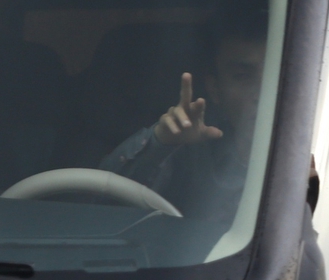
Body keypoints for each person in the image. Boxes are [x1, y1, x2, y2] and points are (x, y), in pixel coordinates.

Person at [97, 14, 267, 224]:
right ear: (215, 89)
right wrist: (160, 141)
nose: (261, 93)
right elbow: (99, 200)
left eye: (273, 75)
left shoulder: (309, 155)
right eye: (243, 77)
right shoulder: (188, 151)